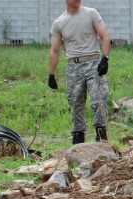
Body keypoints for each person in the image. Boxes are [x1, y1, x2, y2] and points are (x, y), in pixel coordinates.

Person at [49, 0, 111, 145]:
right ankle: (78, 141)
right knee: (76, 102)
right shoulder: (59, 22)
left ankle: (101, 138)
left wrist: (105, 58)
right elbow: (55, 50)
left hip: (93, 63)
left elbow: (105, 36)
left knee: (98, 98)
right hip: (73, 67)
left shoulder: (91, 13)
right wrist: (51, 74)